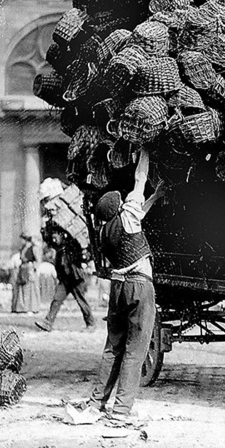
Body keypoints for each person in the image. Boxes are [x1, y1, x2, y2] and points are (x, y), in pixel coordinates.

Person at [92, 149, 163, 421]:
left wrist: (155, 197)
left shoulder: (104, 230)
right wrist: (145, 150)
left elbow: (138, 214)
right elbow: (140, 178)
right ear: (120, 206)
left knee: (113, 347)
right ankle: (121, 410)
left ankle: (96, 403)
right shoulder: (127, 215)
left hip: (117, 286)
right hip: (139, 287)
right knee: (135, 351)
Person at [36, 183, 96, 332]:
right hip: (65, 268)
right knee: (58, 297)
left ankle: (90, 323)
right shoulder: (55, 223)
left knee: (79, 298)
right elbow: (52, 242)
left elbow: (58, 241)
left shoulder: (68, 228)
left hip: (73, 268)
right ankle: (48, 322)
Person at [12, 233, 42, 314]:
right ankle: (22, 307)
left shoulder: (33, 248)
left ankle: (31, 307)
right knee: (22, 288)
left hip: (30, 268)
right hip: (23, 268)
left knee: (30, 288)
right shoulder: (23, 248)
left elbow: (38, 260)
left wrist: (34, 269)